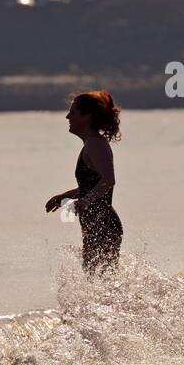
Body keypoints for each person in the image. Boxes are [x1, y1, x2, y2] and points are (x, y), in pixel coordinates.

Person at [45, 90, 123, 274]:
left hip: (104, 224)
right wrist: (65, 196)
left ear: (87, 117)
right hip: (96, 223)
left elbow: (108, 180)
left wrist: (86, 201)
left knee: (99, 280)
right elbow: (91, 186)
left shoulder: (95, 145)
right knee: (95, 280)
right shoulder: (91, 144)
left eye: (73, 113)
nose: (67, 117)